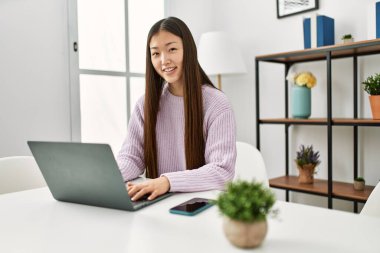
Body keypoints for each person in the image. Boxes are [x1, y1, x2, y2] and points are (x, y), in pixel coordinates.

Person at [117, 16, 236, 201]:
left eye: (172, 49)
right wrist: (105, 177)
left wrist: (167, 182)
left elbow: (221, 171)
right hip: (158, 203)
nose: (164, 60)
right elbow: (132, 158)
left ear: (188, 51)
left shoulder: (216, 103)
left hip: (203, 205)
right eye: (155, 53)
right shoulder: (145, 105)